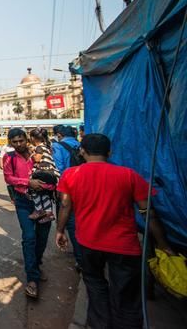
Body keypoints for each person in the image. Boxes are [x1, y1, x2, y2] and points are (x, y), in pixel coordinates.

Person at [56, 134, 175, 329]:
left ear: (82, 151)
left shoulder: (71, 174)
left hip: (88, 243)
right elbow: (148, 214)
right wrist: (164, 244)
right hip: (125, 247)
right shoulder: (129, 175)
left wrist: (60, 231)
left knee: (95, 287)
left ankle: (99, 324)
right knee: (127, 295)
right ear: (109, 152)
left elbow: (65, 206)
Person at [3, 128, 50, 299]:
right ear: (10, 142)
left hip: (44, 202)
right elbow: (9, 178)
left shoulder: (39, 154)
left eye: (20, 140)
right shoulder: (9, 157)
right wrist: (28, 182)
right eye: (14, 142)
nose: (18, 144)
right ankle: (32, 279)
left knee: (43, 237)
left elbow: (51, 172)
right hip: (24, 202)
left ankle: (36, 265)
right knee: (29, 237)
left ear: (26, 139)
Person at [52, 125, 83, 269]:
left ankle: (80, 259)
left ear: (59, 135)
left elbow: (58, 168)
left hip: (69, 188)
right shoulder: (82, 144)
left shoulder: (58, 146)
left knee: (72, 222)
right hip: (86, 186)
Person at [28, 128, 59, 223]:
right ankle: (49, 213)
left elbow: (37, 159)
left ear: (33, 138)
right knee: (44, 193)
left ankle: (39, 210)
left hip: (43, 173)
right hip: (51, 173)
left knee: (33, 189)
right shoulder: (47, 146)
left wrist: (31, 152)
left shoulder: (39, 147)